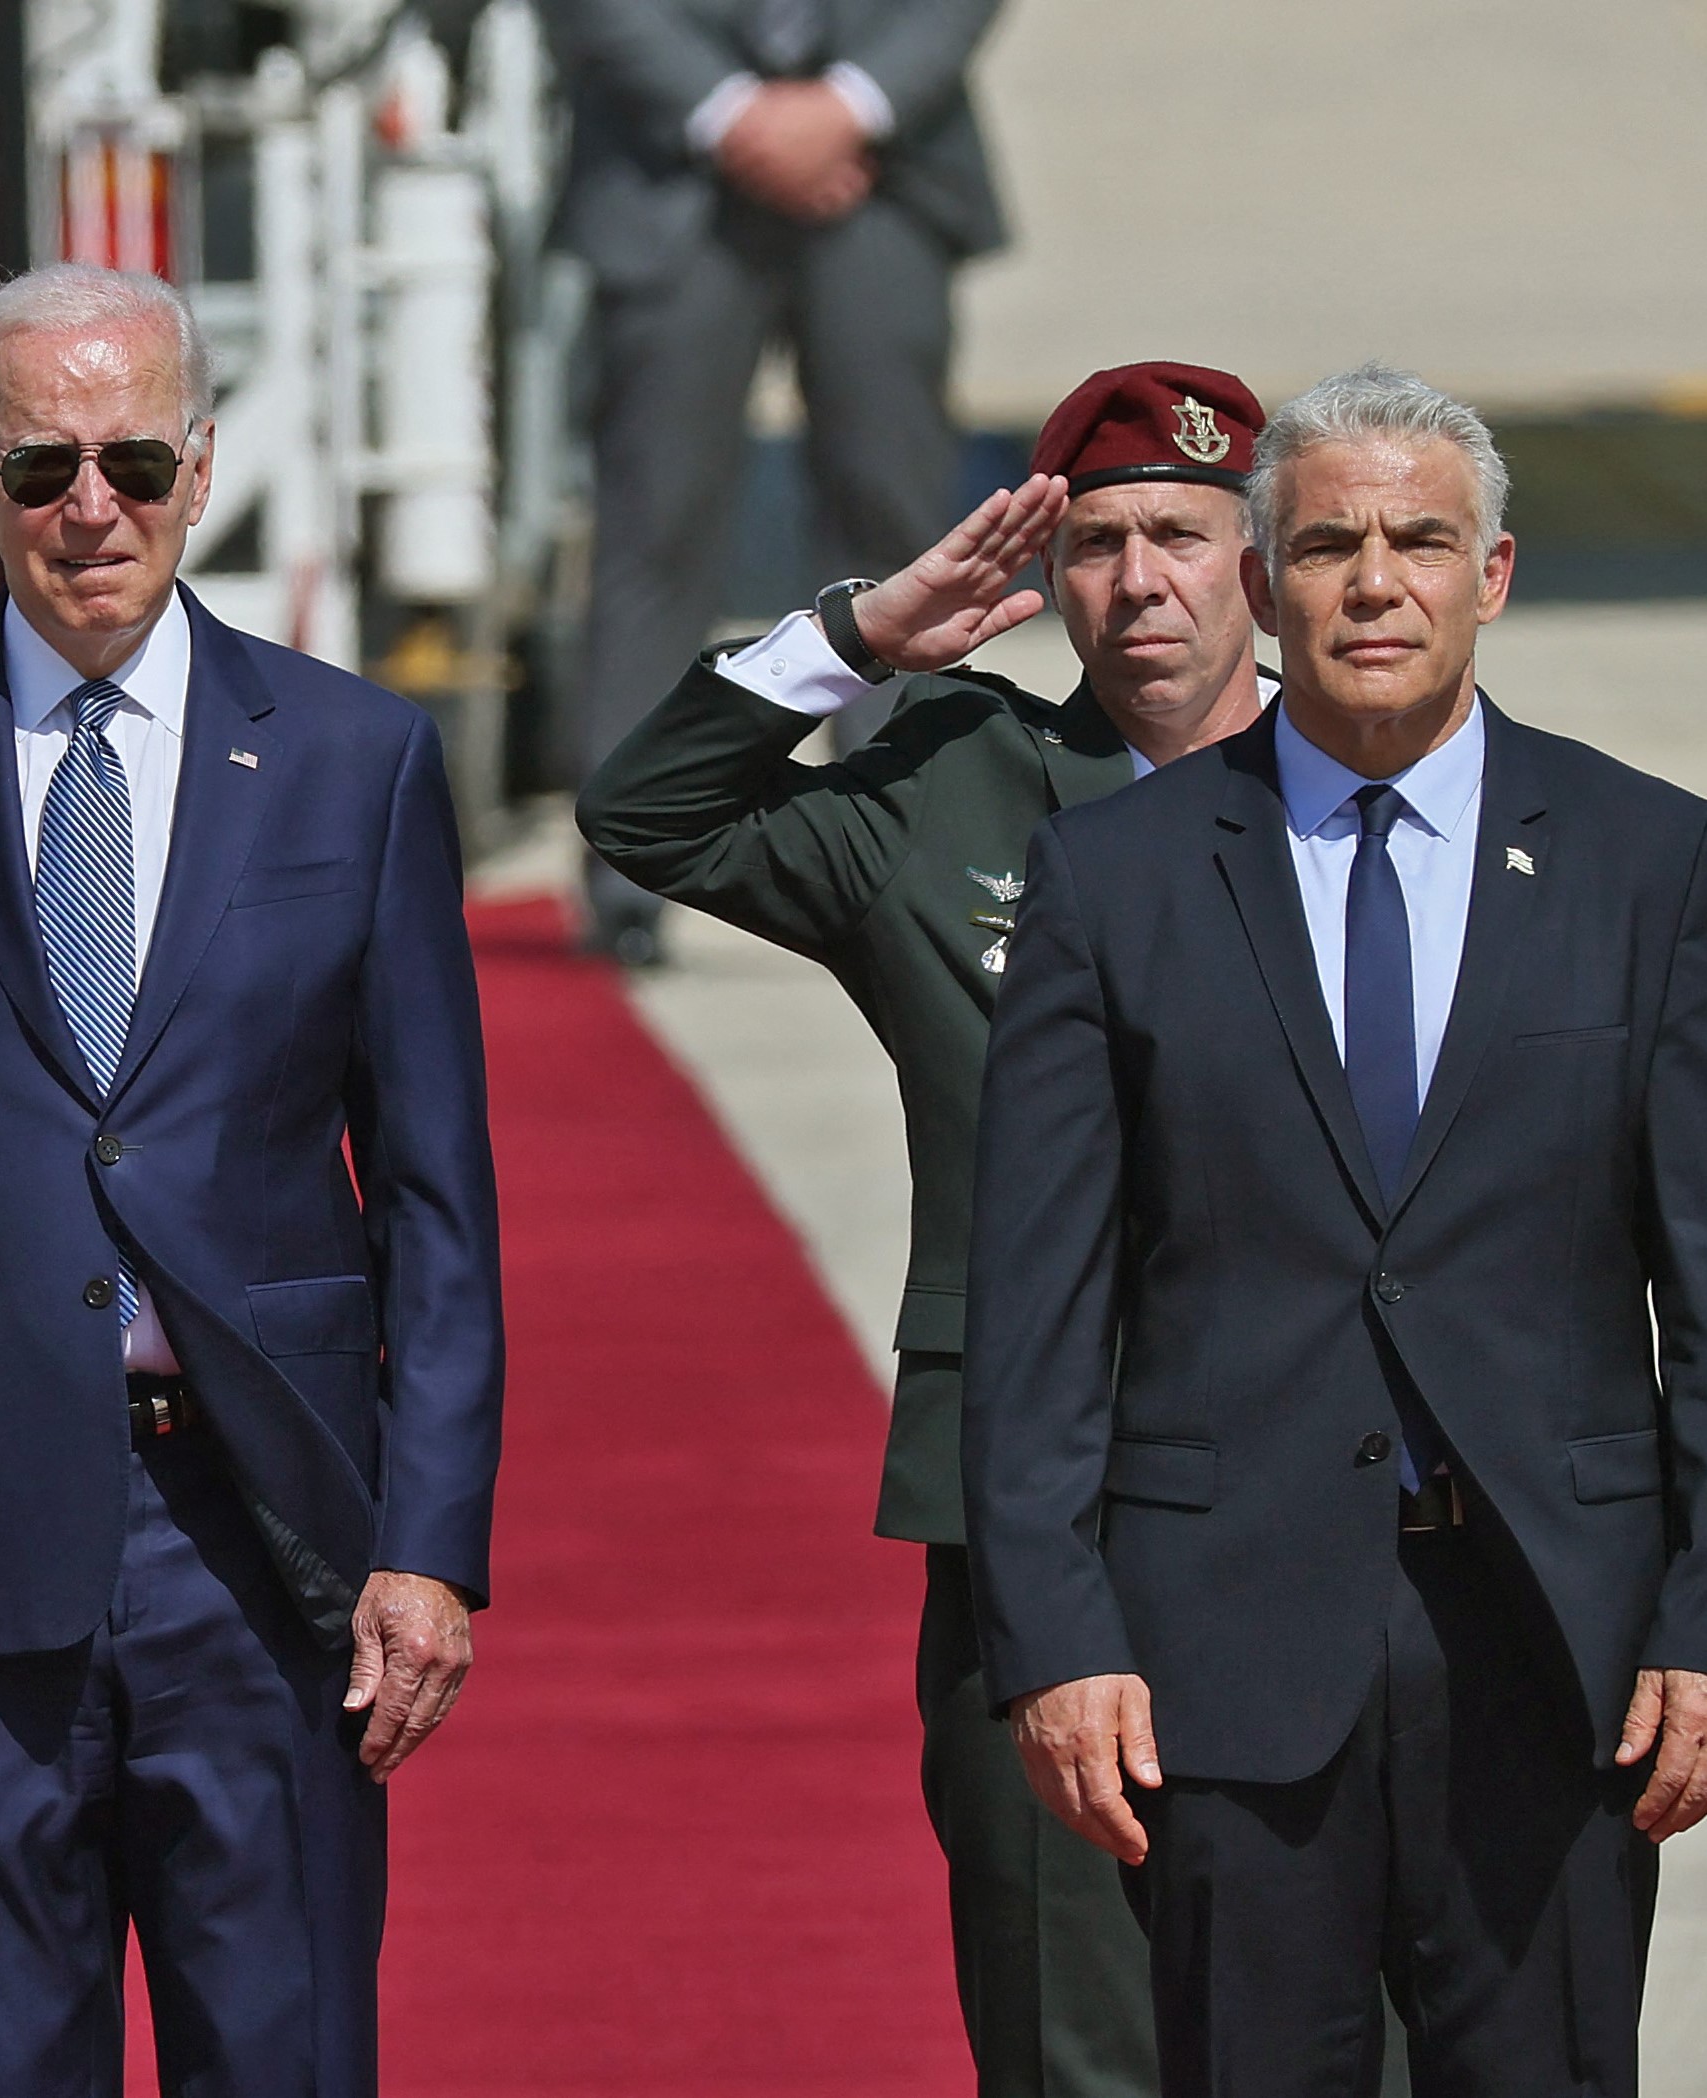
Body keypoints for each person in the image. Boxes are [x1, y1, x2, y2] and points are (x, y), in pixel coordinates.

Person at [0, 262, 505, 2097]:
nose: (93, 509)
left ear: (204, 464)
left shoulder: (354, 758)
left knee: (283, 2052)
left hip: (267, 1536)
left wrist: (429, 1545)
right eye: (42, 462)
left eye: (134, 460)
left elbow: (438, 1196)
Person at [963, 363, 1707, 2094]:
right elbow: (1039, 1307)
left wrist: (1700, 1608)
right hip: (1220, 1650)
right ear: (1262, 583)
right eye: (1328, 545)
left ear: (1492, 575)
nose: (1374, 581)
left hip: (1561, 1642)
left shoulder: (1647, 863)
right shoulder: (1117, 880)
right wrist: (1056, 1632)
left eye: (1419, 541)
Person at [575, 363, 1267, 2098]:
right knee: (1069, 2032)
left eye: (1181, 534)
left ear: (1258, 560)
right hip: (1038, 1515)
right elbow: (649, 815)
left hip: (1328, 1506)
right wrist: (859, 640)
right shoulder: (960, 782)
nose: (1139, 579)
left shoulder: (1374, 795)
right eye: (1096, 542)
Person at [537, 0, 1006, 962]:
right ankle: (634, 859)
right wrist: (727, 113)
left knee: (896, 527)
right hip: (667, 170)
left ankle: (900, 842)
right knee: (653, 527)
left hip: (889, 170)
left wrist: (851, 104)